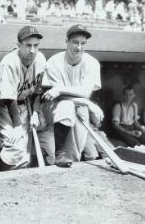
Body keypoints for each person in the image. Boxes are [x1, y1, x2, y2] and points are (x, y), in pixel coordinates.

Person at [41, 24, 103, 167]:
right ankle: (59, 153)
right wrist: (87, 103)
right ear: (66, 42)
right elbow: (54, 97)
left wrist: (61, 89)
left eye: (83, 43)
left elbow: (85, 93)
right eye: (75, 42)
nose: (79, 47)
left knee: (74, 155)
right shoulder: (54, 62)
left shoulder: (92, 63)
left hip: (80, 107)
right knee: (66, 105)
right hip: (55, 110)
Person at [0, 26, 46, 170]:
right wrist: (16, 125)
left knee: (22, 154)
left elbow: (37, 92)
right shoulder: (10, 62)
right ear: (19, 45)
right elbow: (8, 98)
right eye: (28, 45)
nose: (32, 50)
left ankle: (9, 180)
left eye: (36, 45)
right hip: (3, 106)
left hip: (25, 104)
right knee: (16, 146)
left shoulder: (40, 59)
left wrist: (35, 113)